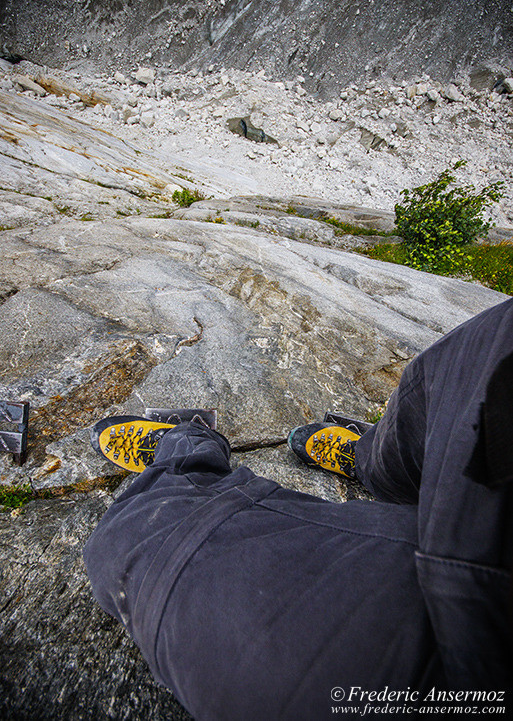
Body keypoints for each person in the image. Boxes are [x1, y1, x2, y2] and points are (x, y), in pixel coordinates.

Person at [83, 299, 513, 720]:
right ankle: (371, 460)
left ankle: (186, 451)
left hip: (475, 645)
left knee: (133, 539)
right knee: (474, 359)